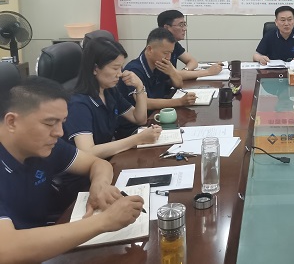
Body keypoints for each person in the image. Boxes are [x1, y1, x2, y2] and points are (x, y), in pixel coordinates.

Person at [0, 77, 144, 262]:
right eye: (50, 123)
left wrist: (100, 185)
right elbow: (6, 249)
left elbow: (98, 164)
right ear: (12, 122)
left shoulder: (45, 145)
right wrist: (104, 221)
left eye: (62, 122)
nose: (59, 132)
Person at [64, 37, 162, 158]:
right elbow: (87, 152)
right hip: (89, 167)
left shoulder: (109, 91)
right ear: (95, 69)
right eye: (115, 68)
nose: (120, 74)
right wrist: (138, 139)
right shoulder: (78, 104)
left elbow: (139, 119)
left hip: (108, 158)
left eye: (121, 68)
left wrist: (139, 86)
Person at [118, 28, 195, 110]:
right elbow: (144, 103)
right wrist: (180, 102)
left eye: (171, 53)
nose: (168, 57)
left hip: (158, 111)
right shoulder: (134, 70)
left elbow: (179, 84)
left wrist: (172, 72)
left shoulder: (161, 64)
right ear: (149, 50)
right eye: (165, 53)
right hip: (140, 116)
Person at [157, 10, 223, 80]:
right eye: (181, 25)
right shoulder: (158, 48)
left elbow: (192, 61)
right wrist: (208, 72)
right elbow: (174, 74)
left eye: (184, 25)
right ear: (166, 28)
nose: (185, 29)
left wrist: (185, 71)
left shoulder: (174, 43)